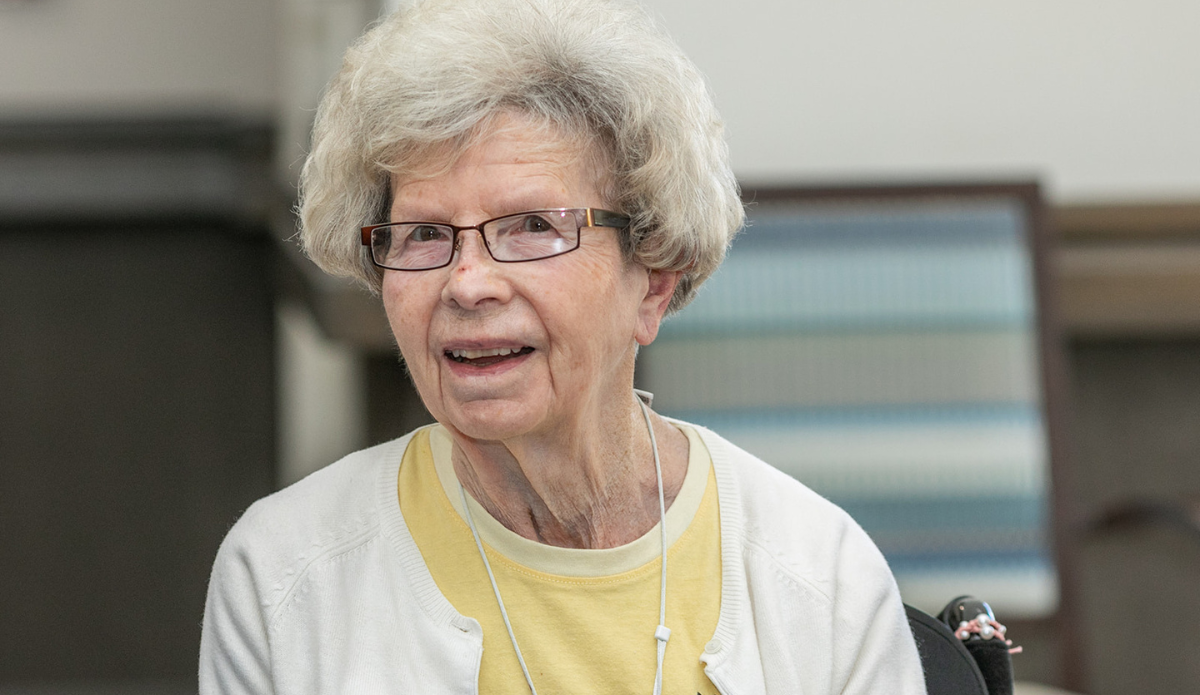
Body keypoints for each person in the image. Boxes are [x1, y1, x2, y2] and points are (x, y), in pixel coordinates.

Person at [199, 0, 926, 692]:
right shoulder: (286, 576)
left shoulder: (820, 578)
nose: (468, 283)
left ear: (653, 281)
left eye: (532, 227)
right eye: (423, 233)